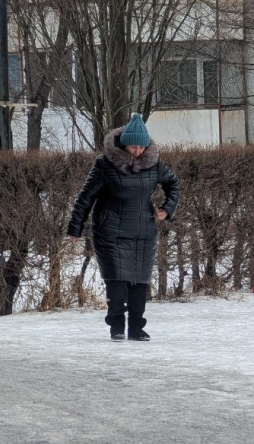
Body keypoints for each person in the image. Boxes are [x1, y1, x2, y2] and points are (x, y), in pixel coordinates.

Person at [67, 113, 180, 342]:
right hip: (110, 232)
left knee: (139, 283)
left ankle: (137, 328)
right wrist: (75, 227)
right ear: (124, 143)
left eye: (141, 146)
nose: (137, 150)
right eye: (133, 146)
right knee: (117, 282)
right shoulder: (104, 164)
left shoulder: (154, 165)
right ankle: (117, 326)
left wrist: (167, 208)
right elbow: (86, 197)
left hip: (143, 232)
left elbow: (173, 185)